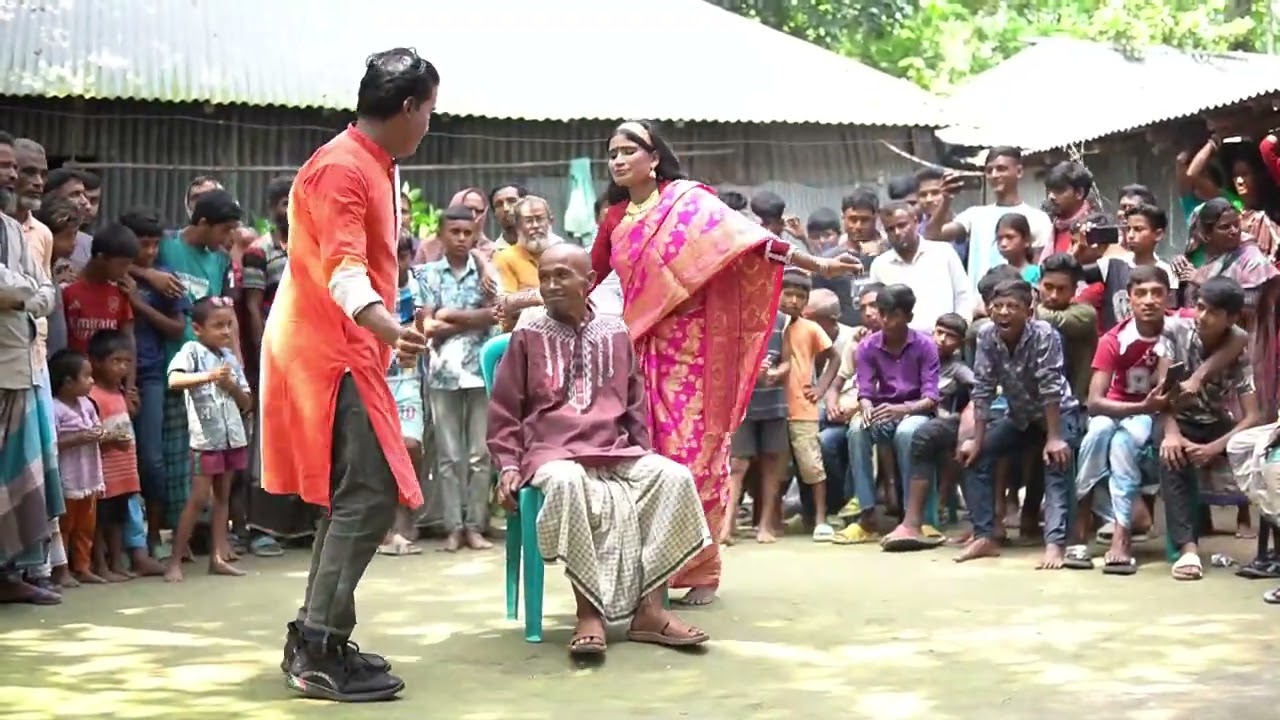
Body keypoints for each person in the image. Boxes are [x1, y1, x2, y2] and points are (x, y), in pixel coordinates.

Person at [585, 119, 861, 606]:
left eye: (629, 150)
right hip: (640, 353)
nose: (618, 160)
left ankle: (701, 570)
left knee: (693, 458)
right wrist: (524, 300)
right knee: (644, 461)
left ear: (654, 157)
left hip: (695, 356)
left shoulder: (690, 202)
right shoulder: (615, 218)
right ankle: (649, 574)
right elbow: (585, 276)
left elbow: (751, 243)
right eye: (612, 153)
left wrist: (816, 265)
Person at [260, 48, 435, 702]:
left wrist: (392, 327)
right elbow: (343, 268)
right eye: (430, 112)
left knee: (356, 497)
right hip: (327, 355)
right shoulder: (342, 167)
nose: (429, 125)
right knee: (368, 494)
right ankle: (317, 646)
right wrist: (389, 326)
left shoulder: (377, 165)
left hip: (349, 347)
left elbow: (372, 264)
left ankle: (318, 637)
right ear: (410, 106)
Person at [488, 243, 711, 655]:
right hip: (550, 453)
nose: (551, 285)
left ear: (589, 283)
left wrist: (642, 451)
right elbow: (504, 410)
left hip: (615, 449)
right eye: (546, 277)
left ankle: (650, 611)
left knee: (672, 477)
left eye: (562, 276)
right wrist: (506, 465)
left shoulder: (615, 330)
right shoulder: (527, 332)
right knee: (569, 482)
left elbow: (633, 404)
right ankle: (588, 612)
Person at [958, 279, 1082, 568]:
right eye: (997, 306)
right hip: (1021, 417)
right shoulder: (987, 336)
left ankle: (1055, 543)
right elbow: (983, 388)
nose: (1003, 312)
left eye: (1012, 306)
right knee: (976, 456)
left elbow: (1050, 386)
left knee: (1057, 462)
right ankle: (985, 534)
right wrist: (977, 439)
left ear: (1029, 312)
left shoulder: (1044, 334)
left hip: (1057, 414)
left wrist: (1054, 437)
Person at [1071, 266, 1178, 574]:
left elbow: (1163, 392)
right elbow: (1094, 402)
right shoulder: (1115, 339)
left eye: (1157, 293)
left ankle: (1121, 533)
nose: (1149, 301)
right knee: (1098, 433)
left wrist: (1145, 407)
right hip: (1120, 408)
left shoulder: (1175, 330)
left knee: (1124, 442)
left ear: (1167, 296)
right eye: (1140, 294)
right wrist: (1139, 407)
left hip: (1150, 414)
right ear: (1128, 299)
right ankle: (1082, 514)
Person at [1159, 277, 1259, 581]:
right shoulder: (1175, 331)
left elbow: (1253, 415)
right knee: (1172, 456)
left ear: (1229, 318)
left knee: (1260, 448)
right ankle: (1188, 549)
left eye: (1212, 312)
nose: (1201, 316)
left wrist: (1216, 448)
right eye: (1200, 307)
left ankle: (1267, 549)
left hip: (1214, 423)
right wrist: (1172, 433)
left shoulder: (1238, 349)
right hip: (1175, 417)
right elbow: (1162, 395)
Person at [0, 130, 63, 606]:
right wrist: (27, 293)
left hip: (21, 365)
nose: (12, 175)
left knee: (18, 475)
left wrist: (25, 294)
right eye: (8, 167)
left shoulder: (19, 230)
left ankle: (10, 572)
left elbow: (43, 293)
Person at [416, 205, 499, 552]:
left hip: (480, 370)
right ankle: (453, 526)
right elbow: (428, 326)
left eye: (468, 233)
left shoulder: (486, 273)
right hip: (443, 371)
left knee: (480, 454)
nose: (462, 239)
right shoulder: (427, 274)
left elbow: (499, 312)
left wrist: (450, 314)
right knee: (449, 456)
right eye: (455, 232)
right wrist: (472, 318)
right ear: (441, 235)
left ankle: (475, 525)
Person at [843, 284, 940, 543]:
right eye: (882, 313)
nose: (886, 320)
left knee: (907, 433)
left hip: (916, 412)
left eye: (893, 314)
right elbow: (865, 390)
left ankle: (914, 518)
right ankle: (867, 516)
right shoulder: (867, 346)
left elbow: (931, 398)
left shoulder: (925, 345)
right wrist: (866, 408)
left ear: (908, 316)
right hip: (883, 411)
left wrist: (903, 409)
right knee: (856, 429)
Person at [166, 297, 252, 582]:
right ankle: (174, 561)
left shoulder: (231, 360)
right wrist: (210, 377)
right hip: (206, 440)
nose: (226, 332)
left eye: (229, 325)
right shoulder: (191, 351)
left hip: (231, 438)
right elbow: (174, 380)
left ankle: (218, 556)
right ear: (198, 328)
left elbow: (246, 402)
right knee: (199, 497)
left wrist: (230, 385)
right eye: (218, 326)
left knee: (222, 497)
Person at [120, 208, 188, 562]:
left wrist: (137, 303)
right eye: (141, 245)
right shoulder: (113, 270)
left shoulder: (165, 279)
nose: (148, 252)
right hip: (105, 377)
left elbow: (176, 329)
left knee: (152, 460)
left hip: (150, 375)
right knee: (114, 463)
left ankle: (152, 535)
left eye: (153, 245)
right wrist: (139, 272)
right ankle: (118, 544)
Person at [881, 312, 973, 551]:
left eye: (950, 337)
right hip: (904, 411)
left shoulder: (957, 368)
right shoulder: (917, 352)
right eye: (939, 332)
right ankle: (891, 498)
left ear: (960, 344)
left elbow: (977, 386)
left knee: (926, 438)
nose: (942, 339)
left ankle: (931, 508)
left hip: (936, 419)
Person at [922, 147, 1053, 296]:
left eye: (1001, 169)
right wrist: (946, 199)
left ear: (1019, 172)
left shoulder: (1037, 218)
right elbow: (932, 236)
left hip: (1014, 308)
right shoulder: (975, 215)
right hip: (977, 309)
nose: (994, 175)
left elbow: (1039, 270)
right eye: (989, 170)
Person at [776, 270, 840, 541]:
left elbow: (834, 358)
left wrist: (821, 388)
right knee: (774, 466)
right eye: (787, 293)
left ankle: (821, 519)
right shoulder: (769, 326)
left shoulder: (810, 328)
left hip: (802, 407)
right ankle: (770, 519)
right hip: (771, 407)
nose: (792, 300)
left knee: (812, 465)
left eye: (800, 296)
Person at [722, 311, 789, 545]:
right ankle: (727, 524)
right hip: (741, 404)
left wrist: (774, 373)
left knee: (772, 463)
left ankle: (765, 524)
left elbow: (788, 360)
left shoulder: (782, 320)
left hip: (774, 402)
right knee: (737, 464)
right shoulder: (734, 314)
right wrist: (749, 370)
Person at [86, 329, 142, 582]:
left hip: (125, 470)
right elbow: (90, 433)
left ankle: (118, 562)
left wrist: (133, 407)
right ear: (96, 363)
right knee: (100, 522)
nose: (122, 367)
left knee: (118, 519)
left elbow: (126, 419)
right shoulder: (91, 396)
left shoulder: (120, 392)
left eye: (126, 362)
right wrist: (110, 440)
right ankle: (100, 564)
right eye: (116, 361)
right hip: (104, 471)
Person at [868, 200, 973, 330]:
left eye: (902, 225)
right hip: (900, 344)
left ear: (916, 222)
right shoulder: (880, 265)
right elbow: (877, 306)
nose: (897, 232)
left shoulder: (944, 252)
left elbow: (963, 295)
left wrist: (961, 328)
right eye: (890, 229)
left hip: (946, 339)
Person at [49, 348, 105, 585]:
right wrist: (79, 438)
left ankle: (83, 566)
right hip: (68, 477)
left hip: (88, 475)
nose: (92, 381)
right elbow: (52, 443)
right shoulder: (54, 408)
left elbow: (96, 426)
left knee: (86, 525)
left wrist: (100, 433)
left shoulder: (87, 404)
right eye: (87, 376)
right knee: (65, 525)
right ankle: (61, 569)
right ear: (68, 382)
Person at [62, 223, 137, 354]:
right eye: (121, 265)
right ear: (101, 258)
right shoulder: (68, 290)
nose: (125, 272)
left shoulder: (121, 291)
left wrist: (130, 373)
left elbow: (127, 337)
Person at [1037, 253, 1097, 403]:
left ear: (1074, 289)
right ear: (1039, 284)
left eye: (1061, 289)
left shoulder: (1085, 313)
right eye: (1048, 287)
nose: (1054, 296)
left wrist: (1027, 306)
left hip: (1074, 402)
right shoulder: (1028, 310)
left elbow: (1049, 320)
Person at [414, 187, 494, 264]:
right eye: (468, 209)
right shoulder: (428, 246)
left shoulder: (491, 250)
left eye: (478, 211)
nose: (473, 215)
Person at [995, 213, 1040, 284]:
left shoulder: (1036, 275)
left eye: (1010, 237)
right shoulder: (998, 274)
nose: (1003, 244)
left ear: (1026, 240)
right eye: (999, 238)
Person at [489, 183, 528, 250]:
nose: (506, 208)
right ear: (494, 213)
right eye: (499, 204)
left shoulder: (549, 246)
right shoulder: (492, 254)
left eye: (512, 201)